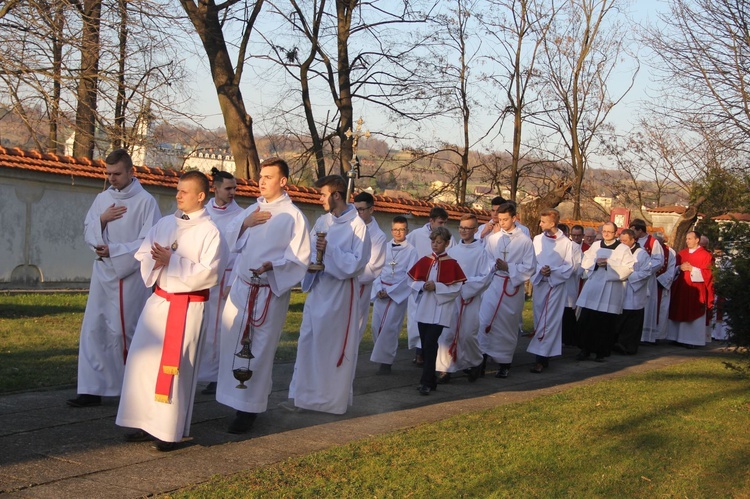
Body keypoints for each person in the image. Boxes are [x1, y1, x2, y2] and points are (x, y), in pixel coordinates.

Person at [116, 170, 225, 451]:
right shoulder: (165, 223)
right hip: (158, 303)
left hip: (188, 307)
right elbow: (143, 253)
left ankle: (167, 430)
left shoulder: (211, 232)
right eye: (177, 190)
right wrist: (156, 259)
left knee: (176, 369)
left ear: (200, 196)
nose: (177, 195)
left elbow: (211, 274)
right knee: (144, 364)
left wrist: (172, 260)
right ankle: (144, 422)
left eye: (184, 191)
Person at [215, 158, 310, 433]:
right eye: (261, 176)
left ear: (283, 181)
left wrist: (273, 266)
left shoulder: (294, 216)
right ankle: (232, 398)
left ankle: (249, 409)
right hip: (243, 288)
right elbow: (228, 240)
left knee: (258, 350)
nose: (262, 181)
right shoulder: (253, 209)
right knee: (234, 344)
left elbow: (300, 258)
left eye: (268, 176)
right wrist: (245, 223)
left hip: (268, 291)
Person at [68, 149, 161, 408]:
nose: (111, 178)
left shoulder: (146, 202)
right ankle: (91, 388)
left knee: (125, 331)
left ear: (132, 172)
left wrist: (116, 251)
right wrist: (101, 221)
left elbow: (148, 241)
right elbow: (88, 230)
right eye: (108, 173)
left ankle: (131, 389)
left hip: (130, 276)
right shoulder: (102, 198)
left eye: (117, 173)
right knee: (94, 328)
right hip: (103, 273)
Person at [285, 175, 371, 414]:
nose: (319, 199)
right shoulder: (322, 222)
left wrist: (329, 250)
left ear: (336, 195)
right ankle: (305, 397)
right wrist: (311, 261)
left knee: (331, 345)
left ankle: (330, 401)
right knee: (308, 341)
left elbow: (356, 264)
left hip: (340, 293)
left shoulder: (358, 227)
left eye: (323, 194)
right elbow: (311, 251)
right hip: (318, 288)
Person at [197, 168, 243, 396]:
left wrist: (232, 281)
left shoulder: (241, 215)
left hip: (227, 279)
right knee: (203, 327)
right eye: (228, 188)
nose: (233, 192)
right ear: (215, 188)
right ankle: (199, 373)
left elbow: (241, 251)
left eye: (235, 188)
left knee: (222, 330)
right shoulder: (203, 212)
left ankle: (218, 376)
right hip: (204, 279)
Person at [478, 202, 535, 378]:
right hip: (494, 285)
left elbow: (530, 267)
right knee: (485, 321)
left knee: (507, 325)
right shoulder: (493, 239)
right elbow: (485, 260)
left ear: (514, 218)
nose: (501, 223)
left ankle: (505, 363)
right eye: (500, 219)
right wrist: (494, 267)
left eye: (505, 219)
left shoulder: (525, 241)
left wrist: (508, 267)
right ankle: (481, 361)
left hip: (512, 287)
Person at [435, 215, 494, 383]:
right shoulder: (451, 252)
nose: (463, 231)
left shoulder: (482, 252)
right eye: (461, 227)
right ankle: (445, 369)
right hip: (452, 299)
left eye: (467, 228)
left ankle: (476, 361)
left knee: (467, 334)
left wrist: (464, 286)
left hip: (470, 300)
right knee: (447, 334)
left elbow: (485, 277)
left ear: (476, 230)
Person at [407, 227, 466, 395]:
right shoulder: (425, 260)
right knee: (426, 346)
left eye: (439, 242)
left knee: (431, 344)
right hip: (424, 308)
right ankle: (431, 380)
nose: (435, 245)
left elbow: (456, 287)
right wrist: (422, 285)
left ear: (447, 243)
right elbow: (411, 280)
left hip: (439, 310)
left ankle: (425, 381)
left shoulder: (452, 263)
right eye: (433, 242)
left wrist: (437, 287)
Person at [576, 222, 634, 361]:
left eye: (610, 231)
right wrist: (596, 263)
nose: (606, 234)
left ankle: (601, 352)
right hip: (594, 287)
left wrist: (609, 264)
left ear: (616, 233)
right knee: (587, 320)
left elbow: (629, 268)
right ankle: (585, 350)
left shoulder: (623, 249)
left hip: (610, 289)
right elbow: (586, 261)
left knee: (605, 324)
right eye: (604, 231)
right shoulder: (596, 246)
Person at [527, 209, 575, 373]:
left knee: (549, 321)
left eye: (543, 222)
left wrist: (552, 271)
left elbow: (569, 266)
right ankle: (541, 354)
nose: (540, 224)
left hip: (556, 286)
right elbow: (532, 259)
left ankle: (541, 358)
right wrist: (541, 269)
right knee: (539, 318)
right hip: (540, 284)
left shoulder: (567, 243)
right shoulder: (537, 239)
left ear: (553, 223)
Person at [369, 216, 418, 374]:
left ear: (407, 231)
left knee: (389, 328)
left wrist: (390, 292)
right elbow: (376, 269)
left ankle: (386, 362)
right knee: (376, 327)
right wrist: (378, 288)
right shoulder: (384, 246)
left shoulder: (411, 251)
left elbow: (410, 276)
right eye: (395, 229)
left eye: (402, 229)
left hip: (396, 294)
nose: (398, 232)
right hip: (381, 291)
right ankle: (381, 357)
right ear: (391, 231)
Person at [406, 207, 454, 365]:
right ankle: (419, 353)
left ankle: (431, 357)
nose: (443, 225)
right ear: (431, 220)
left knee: (434, 325)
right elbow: (409, 253)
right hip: (420, 283)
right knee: (418, 321)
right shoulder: (416, 235)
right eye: (440, 222)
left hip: (438, 284)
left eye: (445, 222)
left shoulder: (449, 238)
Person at [667, 230, 714, 348]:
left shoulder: (706, 255)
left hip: (696, 289)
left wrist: (693, 269)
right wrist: (679, 267)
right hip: (681, 288)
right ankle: (676, 337)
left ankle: (693, 340)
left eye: (690, 239)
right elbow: (673, 269)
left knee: (693, 312)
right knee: (679, 309)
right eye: (686, 239)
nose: (687, 241)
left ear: (697, 240)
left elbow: (709, 274)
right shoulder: (682, 254)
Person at [353, 192, 387, 346]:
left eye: (361, 209)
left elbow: (373, 268)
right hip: (341, 284)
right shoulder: (350, 227)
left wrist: (348, 272)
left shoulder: (378, 236)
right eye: (355, 209)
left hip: (358, 284)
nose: (358, 213)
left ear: (371, 209)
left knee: (353, 328)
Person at [613, 229, 652, 355]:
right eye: (621, 240)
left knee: (631, 322)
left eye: (625, 241)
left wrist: (629, 275)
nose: (622, 243)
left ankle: (628, 347)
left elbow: (647, 272)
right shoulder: (618, 251)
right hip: (619, 289)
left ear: (633, 240)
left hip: (633, 292)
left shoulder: (641, 254)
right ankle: (616, 343)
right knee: (619, 320)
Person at [629, 219, 664, 344]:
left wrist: (646, 270)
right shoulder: (633, 241)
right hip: (632, 277)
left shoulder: (653, 242)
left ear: (640, 230)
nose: (632, 234)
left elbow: (659, 261)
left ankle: (645, 336)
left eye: (634, 231)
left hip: (647, 279)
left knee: (646, 305)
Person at [561, 224, 584, 346]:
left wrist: (557, 271)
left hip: (569, 283)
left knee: (568, 313)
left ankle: (569, 339)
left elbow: (576, 267)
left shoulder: (574, 247)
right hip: (556, 284)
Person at [654, 233, 677, 340]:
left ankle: (658, 336)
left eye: (659, 242)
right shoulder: (649, 250)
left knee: (661, 311)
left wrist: (659, 280)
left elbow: (671, 269)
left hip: (661, 286)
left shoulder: (670, 252)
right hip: (649, 285)